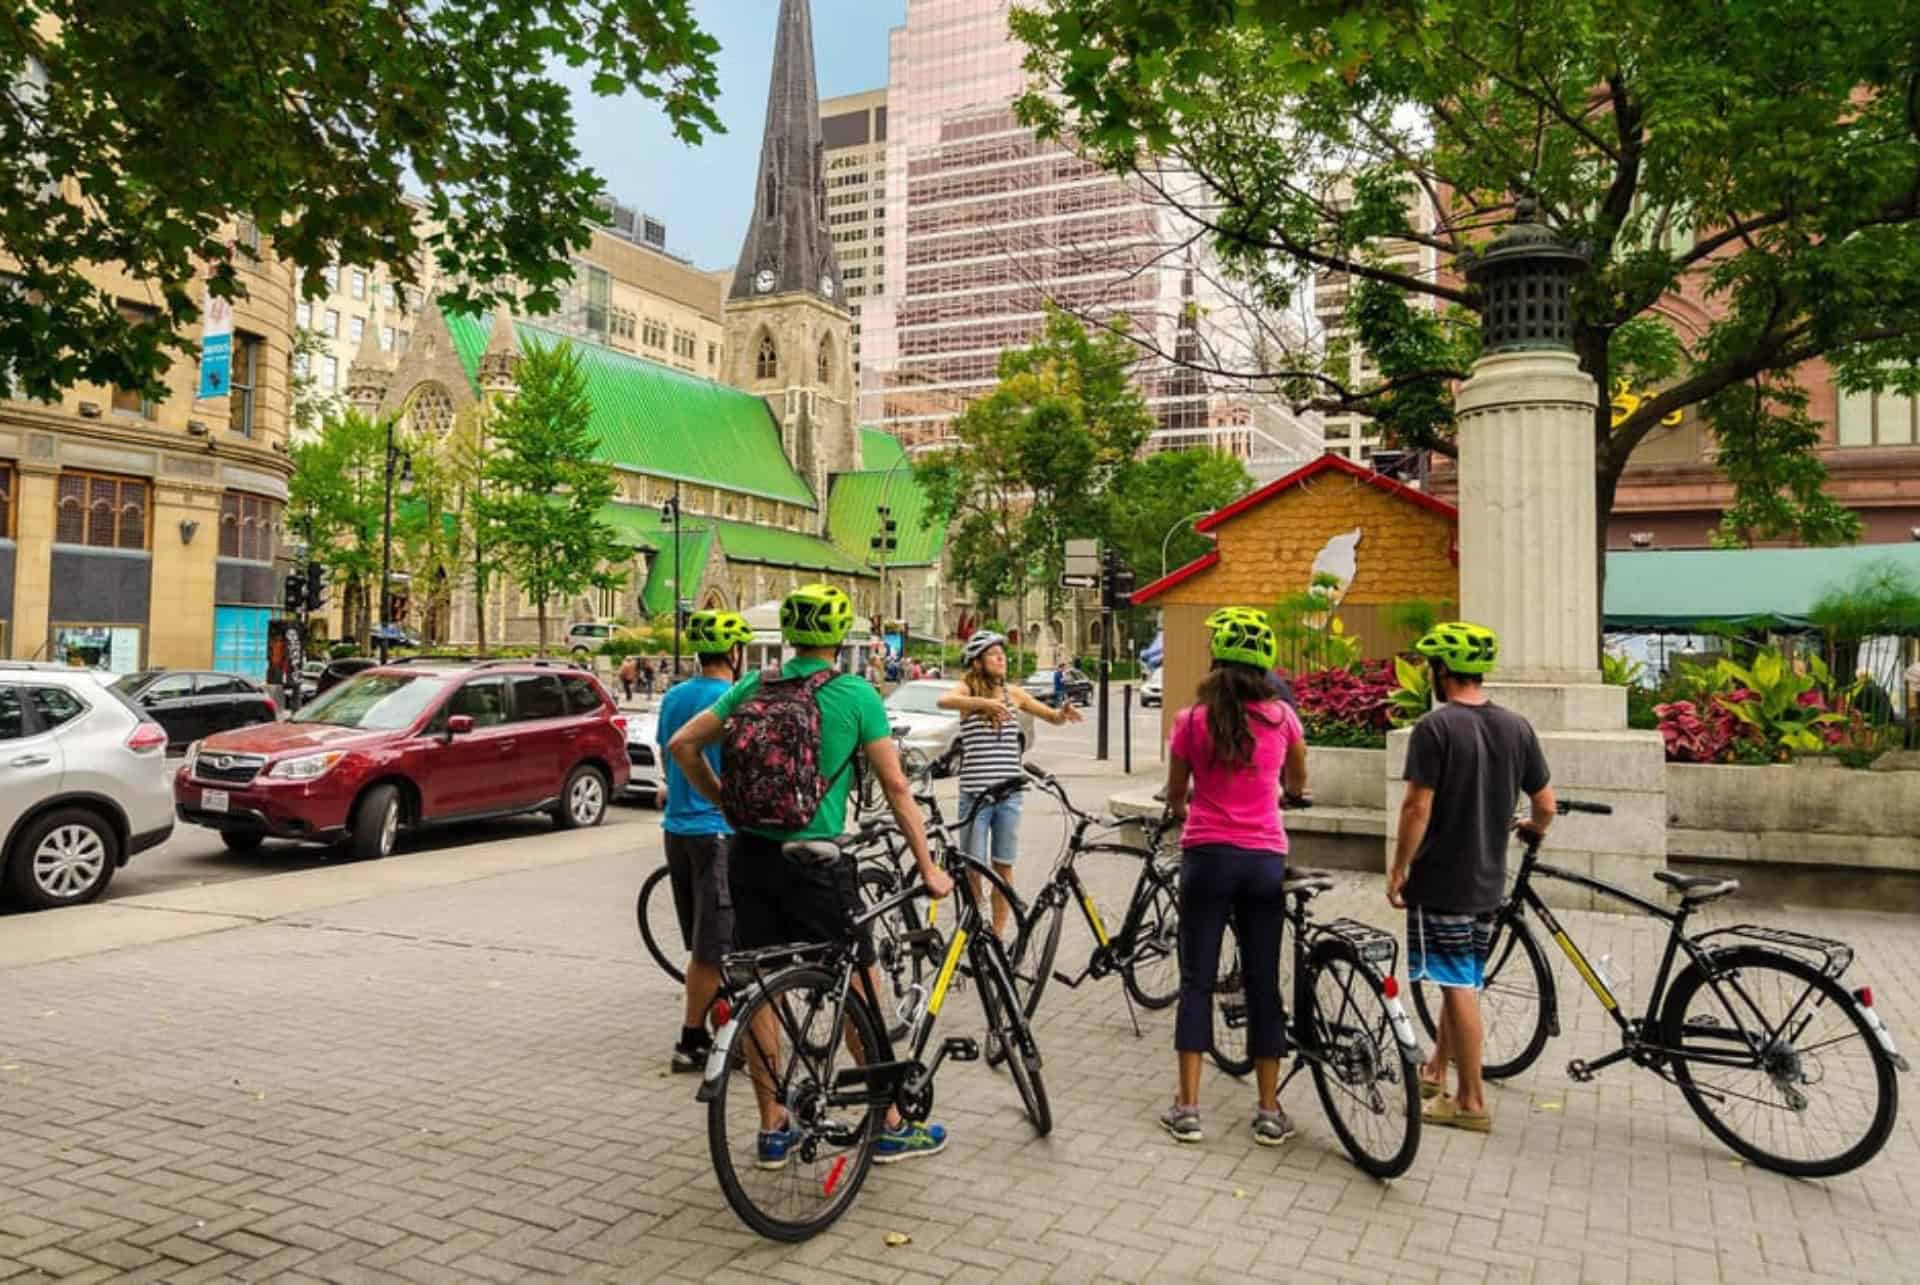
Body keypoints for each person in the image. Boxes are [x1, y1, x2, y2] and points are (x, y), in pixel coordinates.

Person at [668, 583, 955, 1168]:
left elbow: (683, 744)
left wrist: (724, 802)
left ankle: (773, 1127)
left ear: (791, 637)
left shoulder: (754, 686)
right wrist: (928, 868)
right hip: (816, 858)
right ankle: (890, 1123)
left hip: (748, 854)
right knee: (857, 980)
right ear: (841, 639)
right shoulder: (855, 694)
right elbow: (898, 789)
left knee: (759, 984)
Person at [1389, 621, 1554, 1134]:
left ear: (1442, 671)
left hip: (1443, 878)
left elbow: (1417, 806)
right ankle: (1437, 1070)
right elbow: (1545, 804)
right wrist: (1531, 829)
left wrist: (1399, 869)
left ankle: (1471, 1101)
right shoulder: (1517, 727)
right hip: (1488, 879)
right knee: (1456, 976)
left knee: (1457, 984)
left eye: (1430, 668)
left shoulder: (1435, 729)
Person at [1160, 607, 1308, 1146]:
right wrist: (1281, 794)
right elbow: (1297, 781)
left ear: (1215, 664)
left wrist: (1184, 807)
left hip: (1206, 858)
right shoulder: (1283, 719)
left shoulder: (1191, 722)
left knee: (1197, 980)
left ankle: (1189, 1107)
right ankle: (1269, 1110)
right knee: (1263, 980)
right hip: (1264, 860)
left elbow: (1177, 793)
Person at [653, 610, 753, 1073]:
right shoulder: (735, 699)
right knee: (716, 946)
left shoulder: (674, 696)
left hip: (677, 831)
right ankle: (692, 1040)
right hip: (718, 832)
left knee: (705, 941)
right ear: (735, 653)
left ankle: (721, 1027)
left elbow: (666, 751)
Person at [937, 630, 1081, 936]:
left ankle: (997, 937)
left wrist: (1062, 714)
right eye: (993, 654)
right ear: (977, 662)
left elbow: (1051, 717)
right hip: (975, 796)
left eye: (1002, 653)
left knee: (1003, 866)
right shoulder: (966, 691)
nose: (1002, 658)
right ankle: (974, 926)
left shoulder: (1014, 694)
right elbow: (944, 700)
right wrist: (984, 705)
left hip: (1009, 796)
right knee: (973, 866)